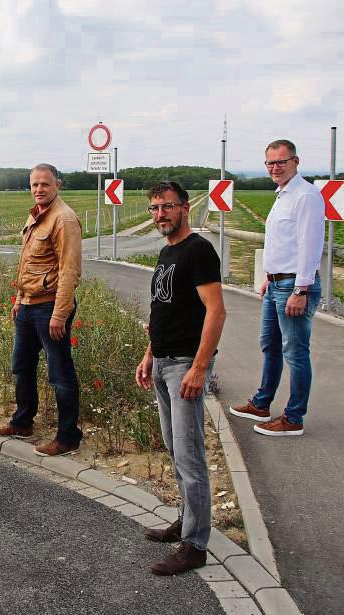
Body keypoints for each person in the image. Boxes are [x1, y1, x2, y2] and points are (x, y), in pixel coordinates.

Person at [134, 181, 227, 575]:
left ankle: (195, 545)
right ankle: (185, 521)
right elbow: (162, 310)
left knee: (190, 457)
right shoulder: (167, 251)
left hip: (185, 365)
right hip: (163, 362)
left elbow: (216, 311)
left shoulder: (198, 250)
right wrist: (148, 355)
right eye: (154, 208)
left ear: (184, 208)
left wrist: (199, 368)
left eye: (167, 207)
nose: (160, 215)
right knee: (176, 450)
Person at [229, 140, 325, 436]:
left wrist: (301, 290)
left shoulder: (305, 196)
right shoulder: (282, 195)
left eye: (281, 162)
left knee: (295, 353)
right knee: (270, 346)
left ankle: (293, 418)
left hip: (293, 287)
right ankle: (262, 403)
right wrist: (268, 277)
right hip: (275, 284)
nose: (275, 168)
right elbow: (282, 243)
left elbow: (309, 247)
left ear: (295, 161)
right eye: (270, 163)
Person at [0, 163, 83, 457]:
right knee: (22, 366)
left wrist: (60, 313)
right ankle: (22, 422)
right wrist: (18, 299)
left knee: (60, 374)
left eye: (44, 184)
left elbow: (70, 270)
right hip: (29, 306)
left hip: (50, 307)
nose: (39, 189)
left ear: (58, 184)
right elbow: (26, 264)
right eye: (34, 185)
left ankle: (68, 437)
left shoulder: (63, 219)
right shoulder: (37, 216)